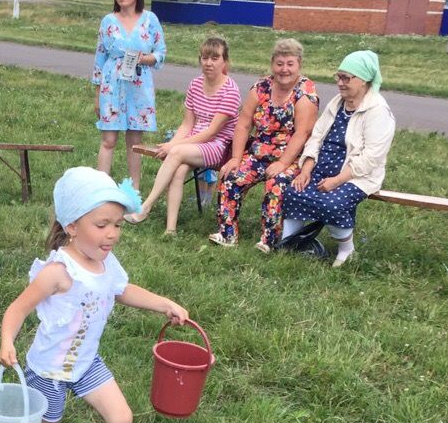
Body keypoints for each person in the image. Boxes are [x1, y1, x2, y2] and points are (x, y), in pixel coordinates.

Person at [0, 167, 188, 423]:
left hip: (87, 364)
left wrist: (164, 304)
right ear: (71, 227)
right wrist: (7, 341)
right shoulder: (58, 272)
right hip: (49, 371)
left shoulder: (106, 263)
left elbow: (122, 290)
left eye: (116, 224)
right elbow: (16, 310)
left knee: (122, 418)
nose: (112, 233)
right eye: (101, 225)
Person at [282, 51, 396, 268]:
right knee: (293, 191)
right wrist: (306, 169)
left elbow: (370, 158)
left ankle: (346, 250)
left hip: (355, 176)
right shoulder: (337, 102)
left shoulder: (378, 111)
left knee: (332, 204)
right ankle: (291, 244)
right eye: (338, 77)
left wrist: (337, 180)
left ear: (363, 81)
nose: (340, 83)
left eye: (346, 78)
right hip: (321, 168)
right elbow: (316, 137)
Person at [123, 36, 240, 235]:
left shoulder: (231, 90)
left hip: (219, 145)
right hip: (193, 143)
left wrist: (173, 148)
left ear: (224, 61)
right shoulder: (195, 84)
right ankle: (171, 229)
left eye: (214, 58)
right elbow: (187, 124)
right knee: (178, 170)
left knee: (175, 154)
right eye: (204, 58)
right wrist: (173, 142)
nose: (209, 63)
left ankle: (145, 207)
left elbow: (212, 132)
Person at [211, 38, 318, 253]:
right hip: (259, 152)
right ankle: (227, 234)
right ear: (272, 64)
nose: (284, 69)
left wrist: (283, 162)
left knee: (277, 182)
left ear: (299, 65)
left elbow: (302, 133)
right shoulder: (260, 88)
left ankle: (270, 239)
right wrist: (235, 157)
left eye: (290, 64)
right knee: (232, 176)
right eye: (279, 63)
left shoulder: (305, 93)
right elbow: (243, 124)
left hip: (292, 156)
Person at [92, 0, 165, 191]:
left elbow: (161, 52)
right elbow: (99, 57)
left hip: (139, 84)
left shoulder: (150, 20)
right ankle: (101, 191)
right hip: (111, 86)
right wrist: (97, 94)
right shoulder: (108, 21)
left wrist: (145, 58)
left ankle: (134, 191)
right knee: (108, 139)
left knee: (135, 142)